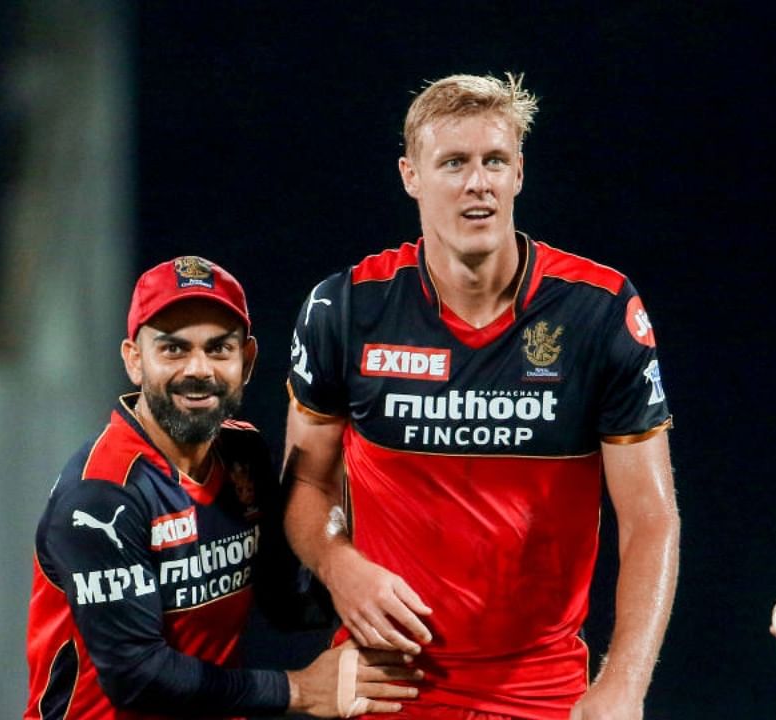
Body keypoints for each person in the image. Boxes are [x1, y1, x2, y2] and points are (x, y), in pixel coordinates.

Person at [283, 73, 680, 719]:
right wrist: (336, 561)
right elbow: (304, 484)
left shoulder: (599, 310)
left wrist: (624, 683)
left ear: (519, 172)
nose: (478, 183)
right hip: (388, 688)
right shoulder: (346, 308)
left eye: (495, 160)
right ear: (411, 175)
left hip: (544, 693)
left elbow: (651, 517)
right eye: (454, 163)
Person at [24, 256, 421, 719]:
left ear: (247, 360)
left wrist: (384, 582)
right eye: (173, 350)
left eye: (219, 349)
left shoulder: (242, 453)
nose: (199, 370)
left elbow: (286, 602)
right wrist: (299, 689)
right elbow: (136, 676)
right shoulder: (101, 494)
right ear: (134, 360)